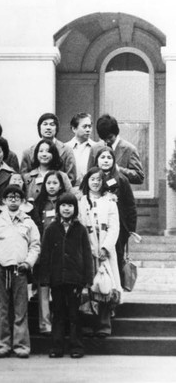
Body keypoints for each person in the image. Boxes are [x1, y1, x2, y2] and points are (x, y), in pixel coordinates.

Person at [0, 185, 40, 359]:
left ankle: (21, 345)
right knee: (1, 309)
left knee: (20, 309)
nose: (13, 199)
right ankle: (2, 344)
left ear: (23, 201)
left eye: (17, 197)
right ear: (4, 201)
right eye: (10, 197)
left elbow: (35, 245)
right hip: (1, 270)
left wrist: (28, 262)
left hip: (20, 270)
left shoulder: (28, 222)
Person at [40, 193, 94, 359]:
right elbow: (45, 255)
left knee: (74, 314)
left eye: (70, 205)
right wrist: (45, 279)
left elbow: (87, 254)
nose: (66, 209)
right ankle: (57, 346)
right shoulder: (51, 229)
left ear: (75, 209)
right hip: (57, 279)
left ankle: (76, 346)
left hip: (75, 279)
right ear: (58, 208)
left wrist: (87, 281)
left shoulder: (80, 229)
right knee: (58, 312)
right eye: (63, 205)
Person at [78, 167, 121, 337]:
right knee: (87, 286)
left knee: (105, 286)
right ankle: (87, 322)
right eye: (92, 179)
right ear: (87, 181)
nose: (95, 182)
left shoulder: (109, 202)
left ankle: (104, 323)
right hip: (86, 250)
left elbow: (114, 227)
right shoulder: (80, 202)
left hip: (104, 252)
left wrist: (105, 247)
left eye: (99, 179)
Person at [94, 147, 137, 287]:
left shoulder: (121, 179)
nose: (106, 161)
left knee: (115, 256)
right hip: (95, 226)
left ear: (113, 161)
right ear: (96, 160)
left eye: (109, 158)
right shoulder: (93, 178)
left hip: (117, 227)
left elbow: (130, 205)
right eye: (102, 157)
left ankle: (115, 289)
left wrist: (130, 228)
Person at [32, 171, 69, 336]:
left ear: (60, 185)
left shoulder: (66, 203)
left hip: (62, 252)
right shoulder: (38, 205)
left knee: (61, 289)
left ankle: (61, 323)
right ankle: (45, 324)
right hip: (43, 252)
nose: (52, 186)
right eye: (49, 183)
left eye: (55, 183)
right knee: (43, 289)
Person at [20, 113, 77, 185]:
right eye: (45, 124)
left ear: (57, 128)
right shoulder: (28, 152)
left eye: (52, 124)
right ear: (39, 127)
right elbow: (23, 177)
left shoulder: (67, 150)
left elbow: (71, 177)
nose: (48, 127)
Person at [88, 114, 144, 185]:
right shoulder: (95, 149)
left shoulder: (129, 149)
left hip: (121, 194)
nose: (107, 141)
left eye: (110, 137)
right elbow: (89, 175)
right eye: (104, 139)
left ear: (116, 132)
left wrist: (119, 170)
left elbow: (139, 177)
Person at [64, 113, 97, 186]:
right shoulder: (65, 148)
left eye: (89, 126)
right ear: (74, 129)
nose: (88, 130)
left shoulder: (96, 147)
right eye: (84, 127)